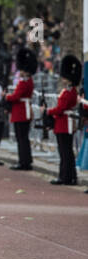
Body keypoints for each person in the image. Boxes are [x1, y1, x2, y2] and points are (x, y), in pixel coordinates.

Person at [47, 55, 83, 187]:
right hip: (63, 123)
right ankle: (68, 176)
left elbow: (61, 108)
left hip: (64, 123)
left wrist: (49, 111)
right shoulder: (69, 90)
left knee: (65, 152)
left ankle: (65, 176)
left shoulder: (69, 92)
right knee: (65, 151)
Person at [6, 47, 36, 171]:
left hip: (21, 111)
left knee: (21, 138)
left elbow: (16, 96)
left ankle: (23, 161)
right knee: (23, 138)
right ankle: (25, 160)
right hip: (22, 110)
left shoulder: (24, 83)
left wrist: (6, 96)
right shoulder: (27, 81)